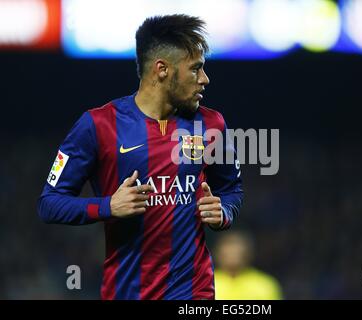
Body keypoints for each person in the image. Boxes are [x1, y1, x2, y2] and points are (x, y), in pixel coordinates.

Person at [37, 14, 243, 300]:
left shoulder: (212, 125)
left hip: (193, 294)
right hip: (126, 292)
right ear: (162, 70)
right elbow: (49, 204)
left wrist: (224, 212)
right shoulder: (98, 125)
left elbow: (231, 189)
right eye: (195, 69)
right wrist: (108, 206)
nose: (205, 79)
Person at [214, 231, 282, 300]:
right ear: (218, 253)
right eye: (228, 248)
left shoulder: (266, 285)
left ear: (248, 253)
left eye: (237, 248)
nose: (232, 252)